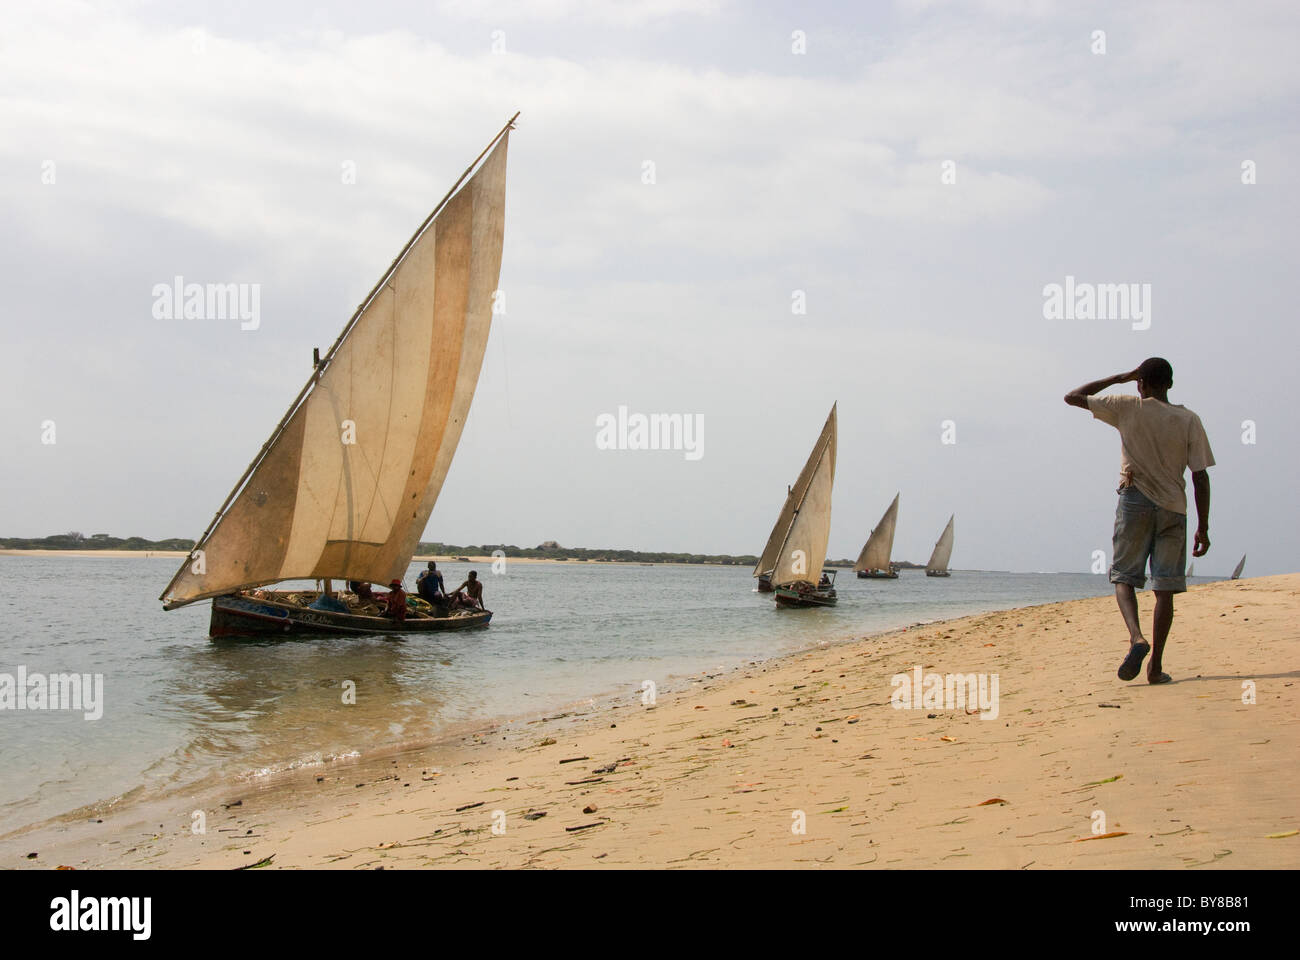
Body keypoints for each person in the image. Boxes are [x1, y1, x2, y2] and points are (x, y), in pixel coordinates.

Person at [1065, 358, 1214, 685]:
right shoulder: (1189, 419)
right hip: (1174, 507)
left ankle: (1136, 637)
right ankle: (1155, 667)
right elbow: (1200, 477)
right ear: (1170, 384)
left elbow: (1073, 396)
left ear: (1140, 383)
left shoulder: (1128, 406)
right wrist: (1203, 527)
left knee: (1124, 577)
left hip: (1134, 500)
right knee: (1165, 590)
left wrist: (1119, 377)